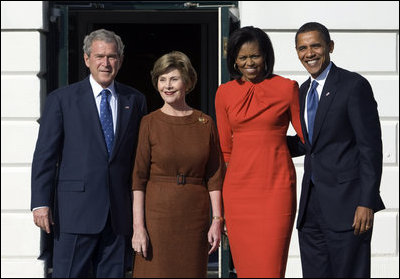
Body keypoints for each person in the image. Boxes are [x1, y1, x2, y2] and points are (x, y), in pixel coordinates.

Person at [31, 29, 147, 278]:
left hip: (118, 215)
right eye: (100, 56)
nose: (106, 63)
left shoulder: (135, 100)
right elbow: (45, 156)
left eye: (112, 57)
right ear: (87, 59)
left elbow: (138, 157)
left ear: (121, 60)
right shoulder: (61, 100)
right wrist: (40, 203)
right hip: (75, 212)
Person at [293, 22, 385, 278]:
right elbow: (308, 143)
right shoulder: (301, 92)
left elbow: (370, 148)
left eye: (315, 46)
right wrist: (264, 143)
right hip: (310, 208)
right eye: (302, 48)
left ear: (330, 47)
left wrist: (366, 201)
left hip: (348, 206)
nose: (308, 53)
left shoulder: (353, 86)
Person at [215, 26, 304, 277]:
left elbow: (307, 137)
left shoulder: (287, 88)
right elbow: (225, 150)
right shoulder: (224, 93)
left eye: (255, 56)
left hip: (276, 188)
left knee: (271, 267)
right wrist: (221, 205)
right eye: (242, 58)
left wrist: (276, 146)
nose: (249, 63)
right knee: (246, 268)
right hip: (238, 193)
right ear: (233, 60)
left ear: (266, 55)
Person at [131, 51, 225, 278]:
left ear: (188, 81)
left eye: (173, 79)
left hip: (194, 217)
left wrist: (217, 220)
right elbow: (138, 179)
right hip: (157, 218)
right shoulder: (149, 123)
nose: (167, 86)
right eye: (162, 80)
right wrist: (138, 227)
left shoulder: (205, 123)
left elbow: (214, 175)